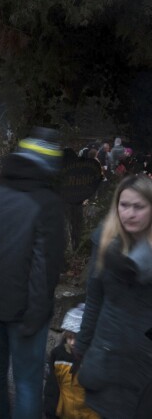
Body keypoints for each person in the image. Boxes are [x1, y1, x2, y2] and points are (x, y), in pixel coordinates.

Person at [0, 128, 65, 419]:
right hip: (27, 312)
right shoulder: (47, 203)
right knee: (27, 382)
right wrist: (37, 314)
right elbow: (45, 267)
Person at [76, 173, 152, 418]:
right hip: (109, 356)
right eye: (124, 205)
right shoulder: (106, 241)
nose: (129, 213)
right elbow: (94, 300)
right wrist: (81, 348)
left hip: (144, 364)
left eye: (139, 207)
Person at [44, 304, 98, 419]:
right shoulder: (58, 355)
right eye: (69, 337)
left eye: (77, 338)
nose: (73, 342)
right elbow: (52, 387)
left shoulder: (95, 360)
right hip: (65, 414)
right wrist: (50, 411)